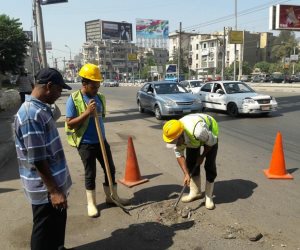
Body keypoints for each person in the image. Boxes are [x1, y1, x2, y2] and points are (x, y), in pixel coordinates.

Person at [14, 68, 73, 250]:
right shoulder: (31, 114)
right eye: (58, 90)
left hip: (52, 185)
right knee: (44, 232)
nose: (59, 94)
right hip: (45, 189)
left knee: (54, 229)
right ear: (49, 86)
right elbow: (38, 157)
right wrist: (54, 191)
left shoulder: (40, 109)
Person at [65, 63, 130, 218]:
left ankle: (112, 197)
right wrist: (87, 112)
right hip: (85, 143)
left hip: (101, 140)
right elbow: (70, 123)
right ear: (84, 84)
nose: (96, 90)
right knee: (90, 173)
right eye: (93, 87)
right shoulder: (74, 99)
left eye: (98, 86)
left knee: (111, 169)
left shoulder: (100, 97)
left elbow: (101, 119)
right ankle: (92, 204)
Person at [162, 113, 219, 210]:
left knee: (209, 166)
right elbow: (179, 154)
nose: (175, 145)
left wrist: (202, 156)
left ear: (181, 136)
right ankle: (195, 192)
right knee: (191, 163)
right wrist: (186, 174)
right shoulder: (176, 135)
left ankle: (208, 197)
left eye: (175, 142)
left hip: (209, 134)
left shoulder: (198, 131)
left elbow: (211, 143)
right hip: (192, 139)